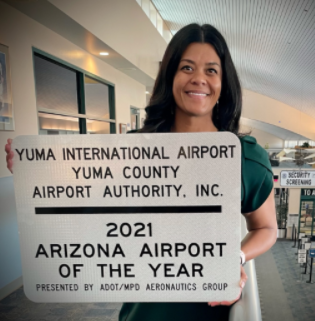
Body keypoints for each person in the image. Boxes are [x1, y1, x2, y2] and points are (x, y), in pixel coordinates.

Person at [5, 23, 277, 321]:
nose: (199, 78)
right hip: (140, 312)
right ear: (170, 75)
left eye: (211, 70)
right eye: (187, 67)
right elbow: (89, 216)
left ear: (224, 82)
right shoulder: (131, 150)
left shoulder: (244, 158)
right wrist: (36, 176)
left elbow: (266, 228)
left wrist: (235, 257)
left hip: (205, 311)